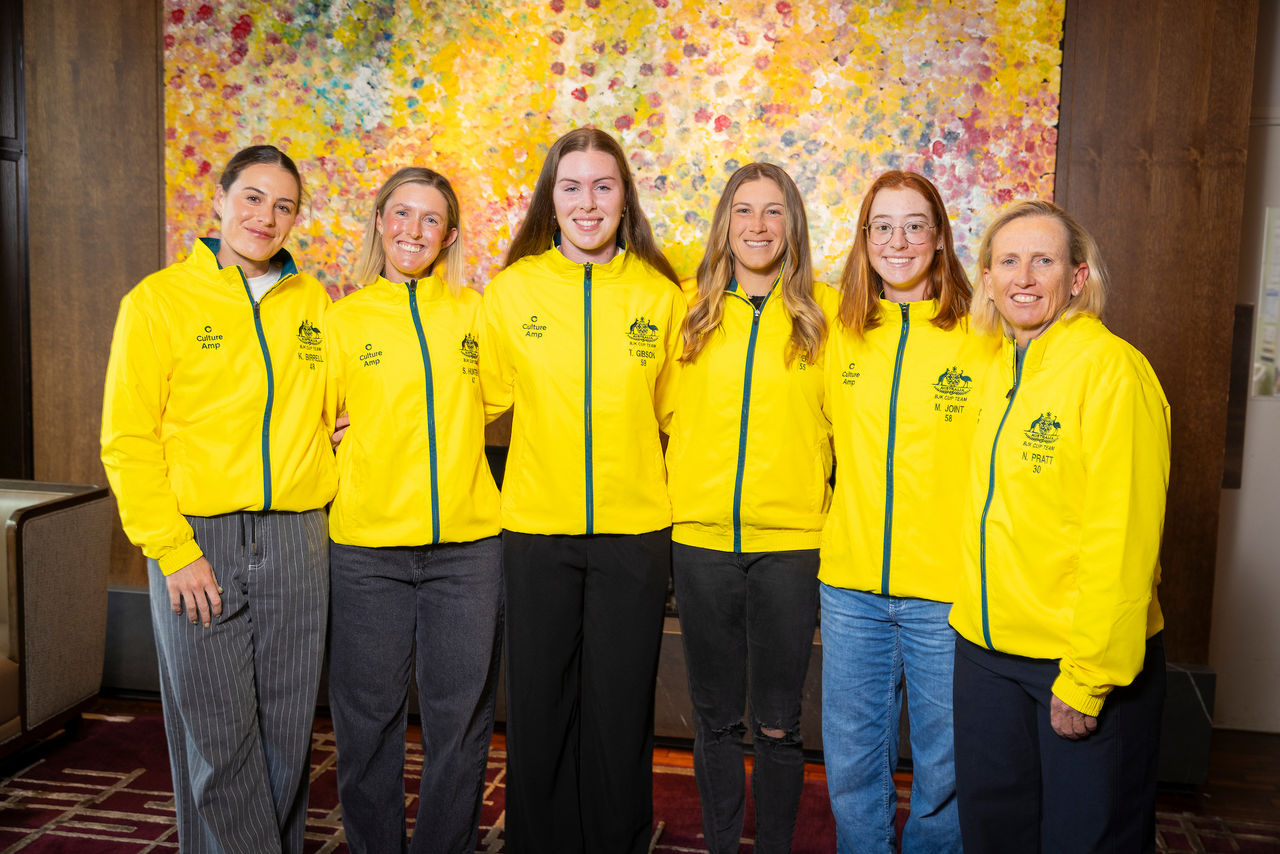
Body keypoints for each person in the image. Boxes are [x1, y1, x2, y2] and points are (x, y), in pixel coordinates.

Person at [100, 145, 336, 853]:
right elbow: (128, 439)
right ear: (221, 198)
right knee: (218, 737)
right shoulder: (157, 300)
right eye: (254, 197)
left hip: (298, 537)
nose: (267, 217)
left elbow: (330, 408)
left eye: (285, 205)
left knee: (289, 733)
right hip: (200, 539)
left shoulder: (314, 302)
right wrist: (173, 551)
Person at [479, 127, 686, 854]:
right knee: (538, 704)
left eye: (604, 185)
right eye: (572, 187)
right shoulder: (512, 291)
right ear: (551, 199)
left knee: (620, 706)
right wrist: (359, 417)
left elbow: (685, 415)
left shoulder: (660, 296)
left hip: (636, 532)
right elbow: (467, 401)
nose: (588, 202)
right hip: (537, 527)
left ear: (624, 197)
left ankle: (617, 840)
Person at [950, 199, 1170, 853]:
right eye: (1008, 261)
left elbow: (1123, 540)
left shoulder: (1112, 373)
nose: (1024, 277)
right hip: (987, 659)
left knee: (1085, 841)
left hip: (1073, 666)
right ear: (988, 277)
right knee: (994, 836)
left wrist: (1086, 676)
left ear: (1076, 278)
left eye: (1043, 261)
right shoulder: (993, 367)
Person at [324, 168, 502, 853]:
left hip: (468, 547)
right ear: (379, 220)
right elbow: (305, 417)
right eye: (403, 214)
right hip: (368, 549)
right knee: (368, 720)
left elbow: (497, 396)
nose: (414, 231)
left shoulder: (474, 313)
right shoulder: (340, 321)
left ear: (449, 237)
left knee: (460, 718)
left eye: (431, 220)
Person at [819, 170, 993, 853]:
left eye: (915, 224)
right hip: (851, 587)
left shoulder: (984, 336)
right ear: (864, 239)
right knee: (852, 762)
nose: (899, 240)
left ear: (940, 236)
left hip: (945, 592)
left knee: (945, 766)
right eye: (882, 226)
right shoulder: (841, 334)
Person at [664, 162, 834, 853]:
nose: (758, 226)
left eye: (772, 212)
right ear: (724, 223)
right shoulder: (686, 310)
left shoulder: (826, 317)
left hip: (791, 545)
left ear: (792, 223)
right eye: (743, 210)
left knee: (777, 724)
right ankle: (720, 840)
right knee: (715, 722)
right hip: (701, 540)